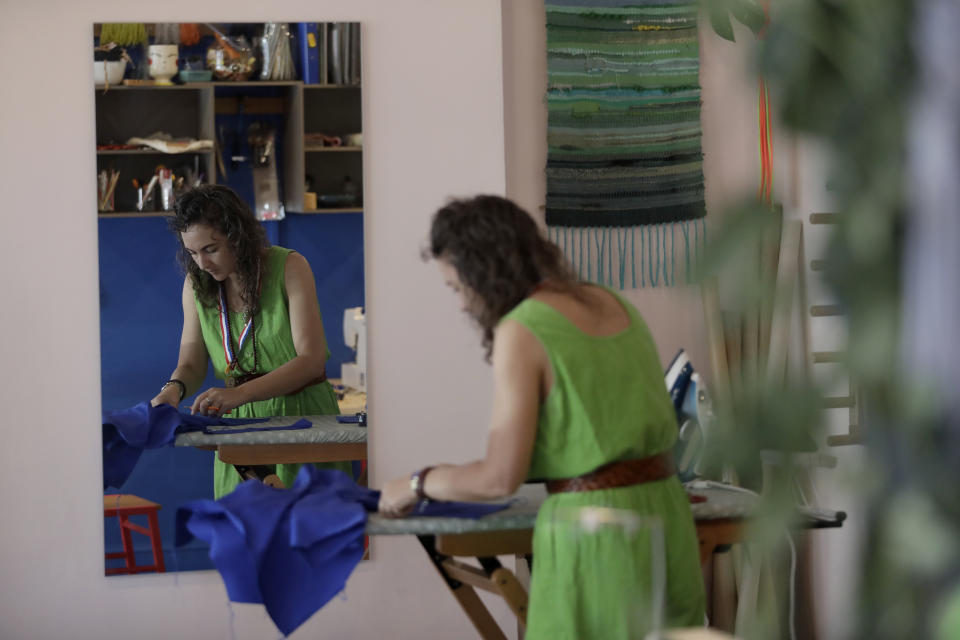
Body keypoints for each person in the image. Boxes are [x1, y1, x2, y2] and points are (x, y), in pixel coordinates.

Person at [378, 195, 705, 637]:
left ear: (483, 272)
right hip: (668, 516)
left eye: (456, 287)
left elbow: (498, 478)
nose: (458, 305)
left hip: (598, 533)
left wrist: (415, 483)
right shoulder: (612, 302)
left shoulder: (522, 329)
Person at [150, 184, 350, 498]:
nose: (202, 263)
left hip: (303, 417)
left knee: (311, 533)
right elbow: (190, 363)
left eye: (211, 249)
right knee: (245, 535)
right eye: (192, 253)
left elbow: (311, 361)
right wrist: (172, 389)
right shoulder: (196, 285)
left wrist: (240, 394)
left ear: (237, 236)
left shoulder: (290, 267)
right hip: (239, 427)